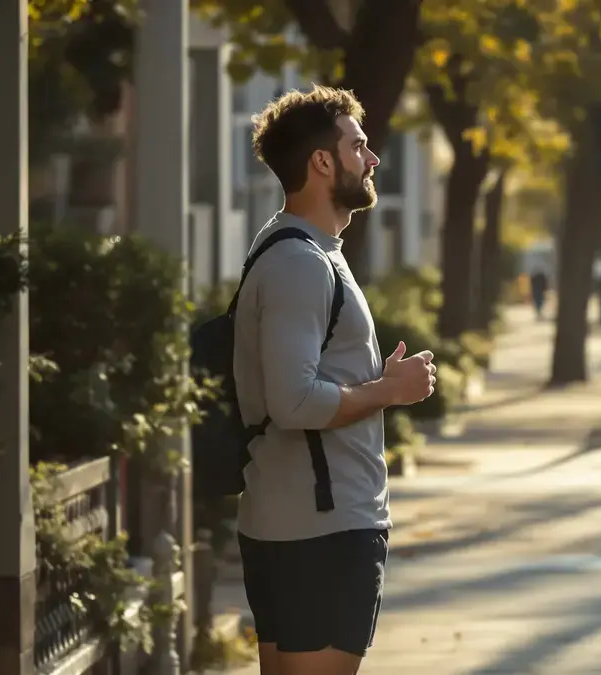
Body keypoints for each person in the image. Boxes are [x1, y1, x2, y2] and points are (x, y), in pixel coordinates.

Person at [234, 85, 437, 675]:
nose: (372, 159)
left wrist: (378, 380)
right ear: (323, 161)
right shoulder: (299, 261)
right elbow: (294, 401)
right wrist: (389, 391)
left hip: (300, 522)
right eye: (359, 145)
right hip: (321, 530)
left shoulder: (302, 249)